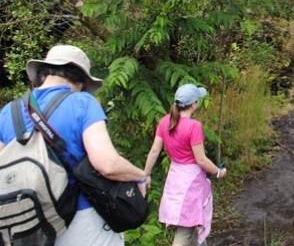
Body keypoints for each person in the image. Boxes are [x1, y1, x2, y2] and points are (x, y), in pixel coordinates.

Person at [0, 44, 148, 246]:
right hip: (79, 219)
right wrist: (140, 175)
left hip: (27, 224)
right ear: (80, 80)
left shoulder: (9, 111)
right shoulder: (82, 102)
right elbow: (107, 164)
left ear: (44, 73)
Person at [143, 83, 227, 246]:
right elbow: (201, 159)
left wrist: (146, 174)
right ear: (194, 104)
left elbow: (154, 151)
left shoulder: (165, 122)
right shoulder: (194, 126)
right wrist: (218, 172)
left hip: (175, 178)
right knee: (185, 229)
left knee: (192, 224)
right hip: (191, 182)